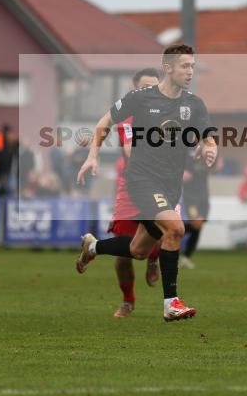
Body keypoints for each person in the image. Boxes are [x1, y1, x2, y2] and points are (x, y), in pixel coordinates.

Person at [75, 44, 216, 322]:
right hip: (141, 180)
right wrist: (92, 156)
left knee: (138, 250)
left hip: (170, 185)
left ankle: (93, 247)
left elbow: (208, 136)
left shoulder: (194, 104)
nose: (190, 71)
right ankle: (171, 303)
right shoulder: (140, 98)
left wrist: (210, 148)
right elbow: (105, 122)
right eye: (185, 66)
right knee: (175, 229)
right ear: (168, 68)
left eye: (192, 66)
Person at [106, 67, 162, 318]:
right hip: (132, 187)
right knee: (124, 253)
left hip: (160, 185)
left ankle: (154, 257)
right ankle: (128, 300)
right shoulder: (128, 118)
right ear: (134, 88)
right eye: (144, 87)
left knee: (169, 231)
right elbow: (129, 149)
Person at [181, 144, 213, 269]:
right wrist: (181, 174)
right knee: (196, 223)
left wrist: (217, 165)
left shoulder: (207, 150)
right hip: (191, 197)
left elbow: (215, 165)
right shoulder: (185, 151)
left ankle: (186, 257)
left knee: (198, 227)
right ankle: (168, 236)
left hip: (204, 196)